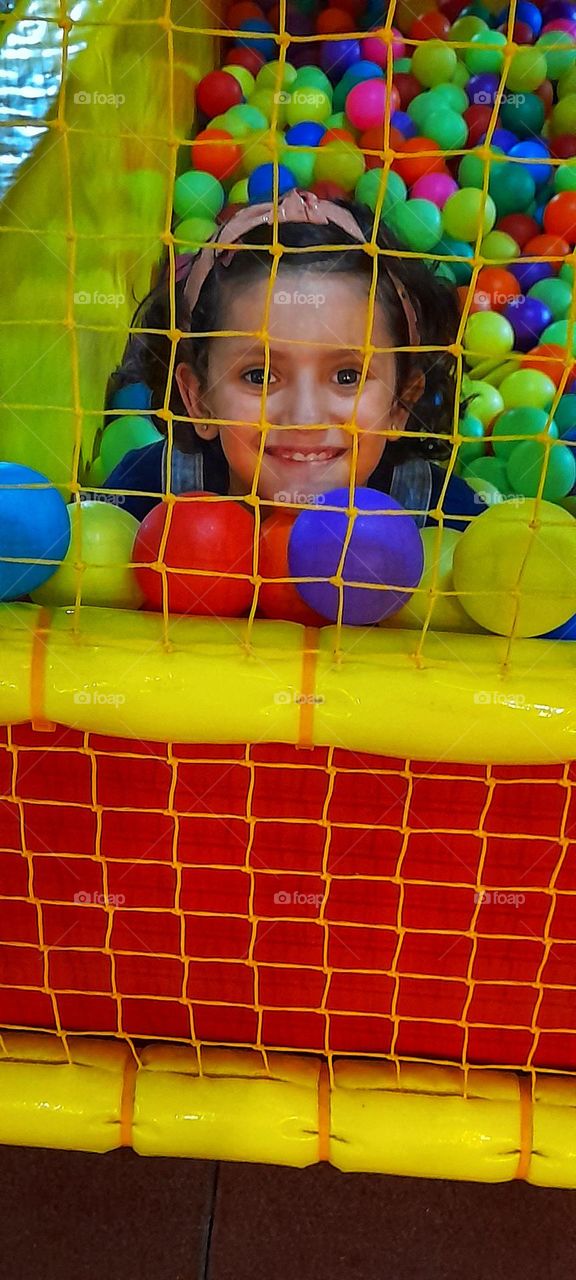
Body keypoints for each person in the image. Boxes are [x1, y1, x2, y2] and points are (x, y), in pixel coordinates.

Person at [99, 188, 485, 529]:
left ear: (401, 402)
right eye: (260, 376)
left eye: (347, 376)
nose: (304, 418)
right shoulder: (145, 495)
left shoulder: (443, 514)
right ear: (199, 398)